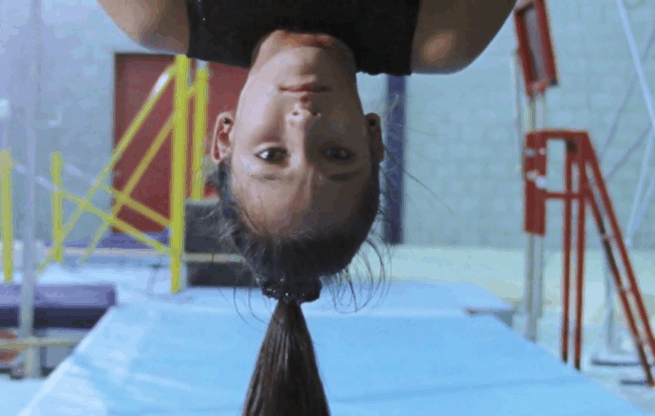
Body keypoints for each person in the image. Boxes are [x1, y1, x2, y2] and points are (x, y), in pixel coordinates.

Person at [98, 1, 517, 414]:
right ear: (372, 138)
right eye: (336, 153)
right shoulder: (443, 30)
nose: (303, 122)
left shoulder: (163, 12)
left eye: (272, 155)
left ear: (225, 138)